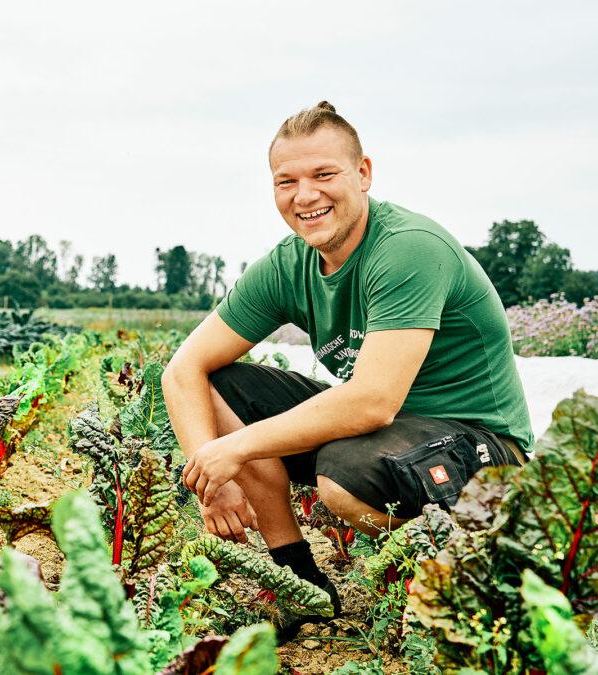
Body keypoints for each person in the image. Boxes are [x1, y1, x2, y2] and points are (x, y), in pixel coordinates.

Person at [164, 102, 531, 631]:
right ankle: (302, 583)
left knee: (343, 474)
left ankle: (473, 581)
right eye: (285, 181)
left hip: (481, 447)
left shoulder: (407, 249)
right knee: (222, 386)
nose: (305, 195)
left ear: (363, 174)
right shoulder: (288, 265)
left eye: (324, 174)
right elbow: (183, 369)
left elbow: (372, 400)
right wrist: (209, 472)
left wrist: (235, 448)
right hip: (392, 434)